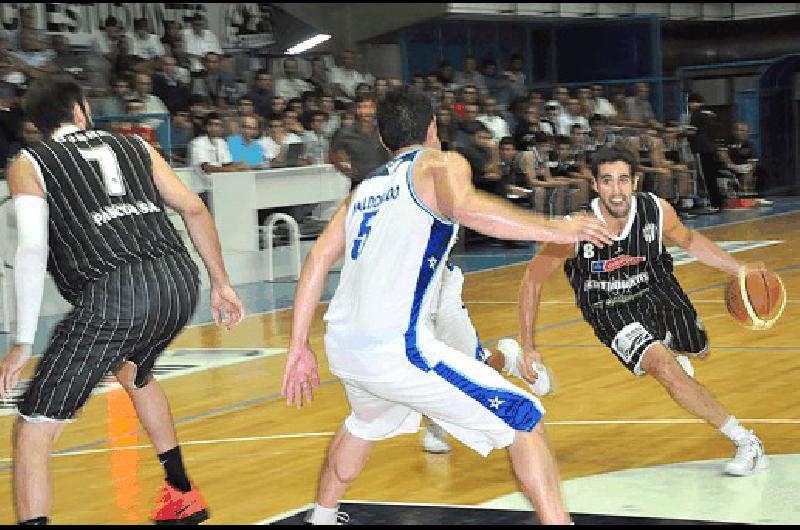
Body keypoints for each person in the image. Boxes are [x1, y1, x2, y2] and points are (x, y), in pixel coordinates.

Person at [281, 88, 615, 526]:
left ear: (384, 139)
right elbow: (466, 207)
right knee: (524, 418)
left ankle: (321, 518)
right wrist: (557, 227)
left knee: (364, 423)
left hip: (345, 347)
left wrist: (297, 346)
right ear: (433, 127)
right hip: (397, 350)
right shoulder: (441, 164)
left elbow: (317, 260)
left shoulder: (363, 189)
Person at [0, 74, 245, 525]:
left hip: (118, 292)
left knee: (32, 427)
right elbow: (193, 207)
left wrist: (21, 341)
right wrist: (222, 283)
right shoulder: (137, 146)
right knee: (135, 373)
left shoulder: (29, 163)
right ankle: (181, 493)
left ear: (37, 124)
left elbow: (32, 248)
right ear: (80, 111)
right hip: (178, 282)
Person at [516, 146, 768, 479]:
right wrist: (528, 345)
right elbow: (531, 282)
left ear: (635, 181)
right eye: (607, 181)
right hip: (609, 309)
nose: (616, 190)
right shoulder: (576, 229)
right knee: (663, 367)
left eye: (623, 180)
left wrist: (739, 270)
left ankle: (673, 347)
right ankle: (746, 441)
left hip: (658, 290)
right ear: (595, 185)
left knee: (699, 349)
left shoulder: (657, 210)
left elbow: (690, 242)